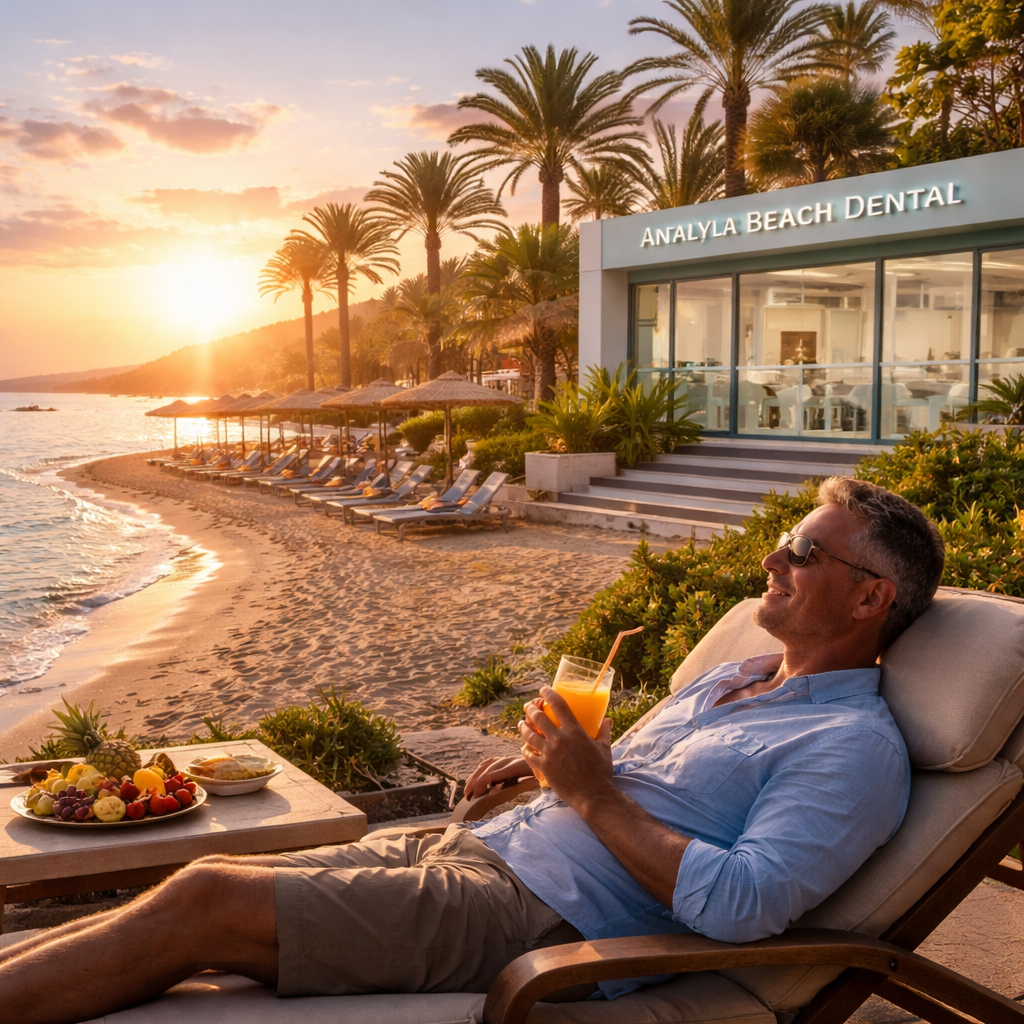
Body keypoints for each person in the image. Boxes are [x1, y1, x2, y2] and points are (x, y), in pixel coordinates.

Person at [0, 477, 945, 1024]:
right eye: (786, 539)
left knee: (208, 905)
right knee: (206, 878)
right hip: (480, 843)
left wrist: (589, 795)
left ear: (870, 601)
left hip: (536, 916)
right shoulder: (737, 678)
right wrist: (549, 778)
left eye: (805, 553)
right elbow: (638, 789)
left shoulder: (851, 746)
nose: (774, 559)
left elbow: (743, 906)